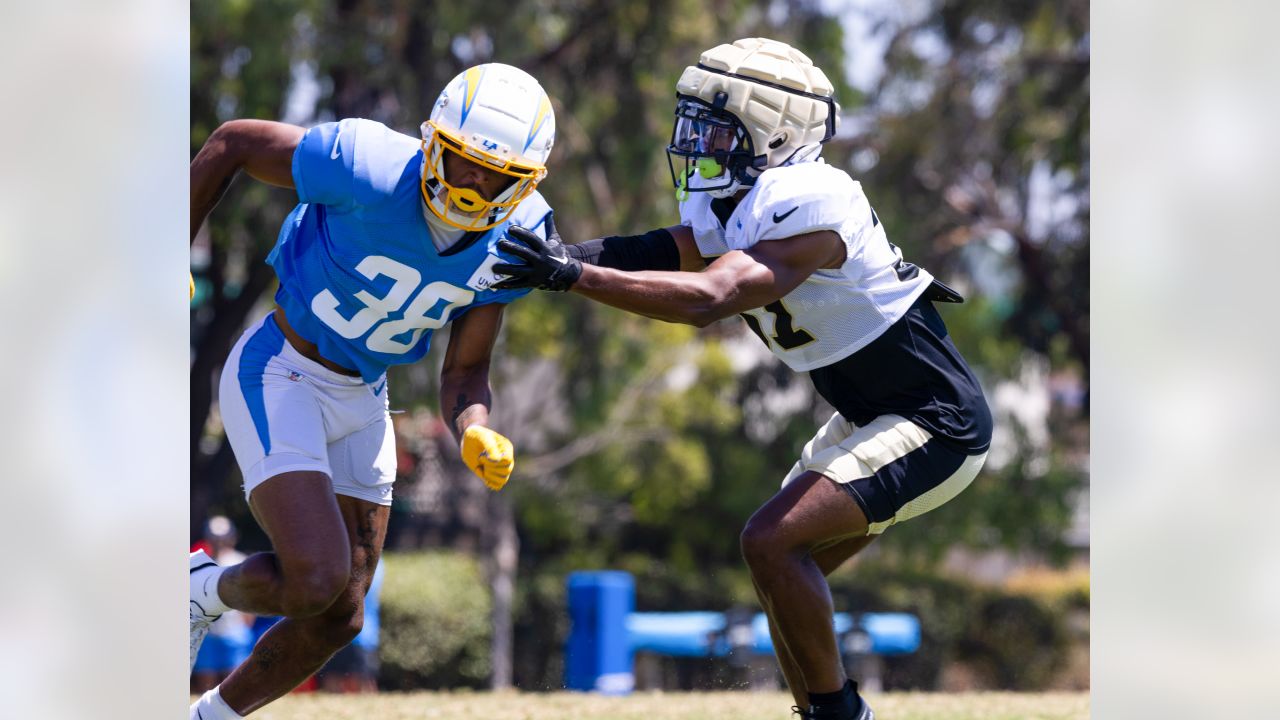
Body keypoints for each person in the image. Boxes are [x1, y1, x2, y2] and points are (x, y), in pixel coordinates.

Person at [494, 38, 992, 720]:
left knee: (771, 541)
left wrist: (571, 276)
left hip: (934, 422)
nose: (696, 140)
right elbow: (664, 246)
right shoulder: (743, 199)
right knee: (774, 564)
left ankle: (841, 717)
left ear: (777, 133)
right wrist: (561, 254)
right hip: (869, 415)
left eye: (716, 127)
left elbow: (709, 298)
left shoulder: (814, 199)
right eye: (693, 122)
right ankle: (819, 712)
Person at [188, 62, 557, 719]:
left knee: (342, 616)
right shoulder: (367, 164)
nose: (471, 184)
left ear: (525, 181)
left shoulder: (521, 237)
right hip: (281, 369)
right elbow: (234, 142)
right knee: (317, 578)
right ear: (431, 142)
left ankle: (206, 716)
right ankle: (200, 588)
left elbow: (465, 373)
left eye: (494, 173)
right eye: (462, 160)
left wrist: (473, 427)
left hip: (365, 397)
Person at [191, 517, 256, 695]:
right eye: (214, 537)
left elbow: (249, 597)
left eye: (223, 536)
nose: (219, 541)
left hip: (235, 630)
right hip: (207, 631)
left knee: (235, 679)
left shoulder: (240, 560)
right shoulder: (199, 562)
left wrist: (245, 623)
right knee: (206, 680)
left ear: (232, 537)